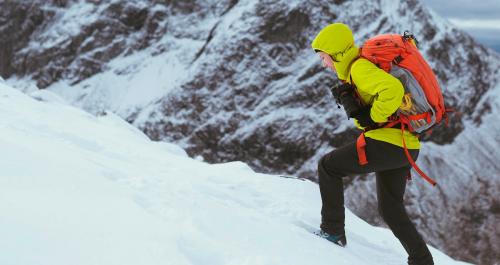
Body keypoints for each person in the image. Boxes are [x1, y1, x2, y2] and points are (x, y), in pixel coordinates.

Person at [311, 23, 434, 265]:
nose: (324, 64)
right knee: (390, 209)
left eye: (324, 58)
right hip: (406, 146)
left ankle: (332, 231)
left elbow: (393, 89)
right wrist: (358, 110)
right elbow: (373, 115)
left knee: (328, 166)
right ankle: (422, 261)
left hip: (389, 144)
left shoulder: (359, 69)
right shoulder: (357, 71)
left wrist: (371, 116)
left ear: (336, 54)